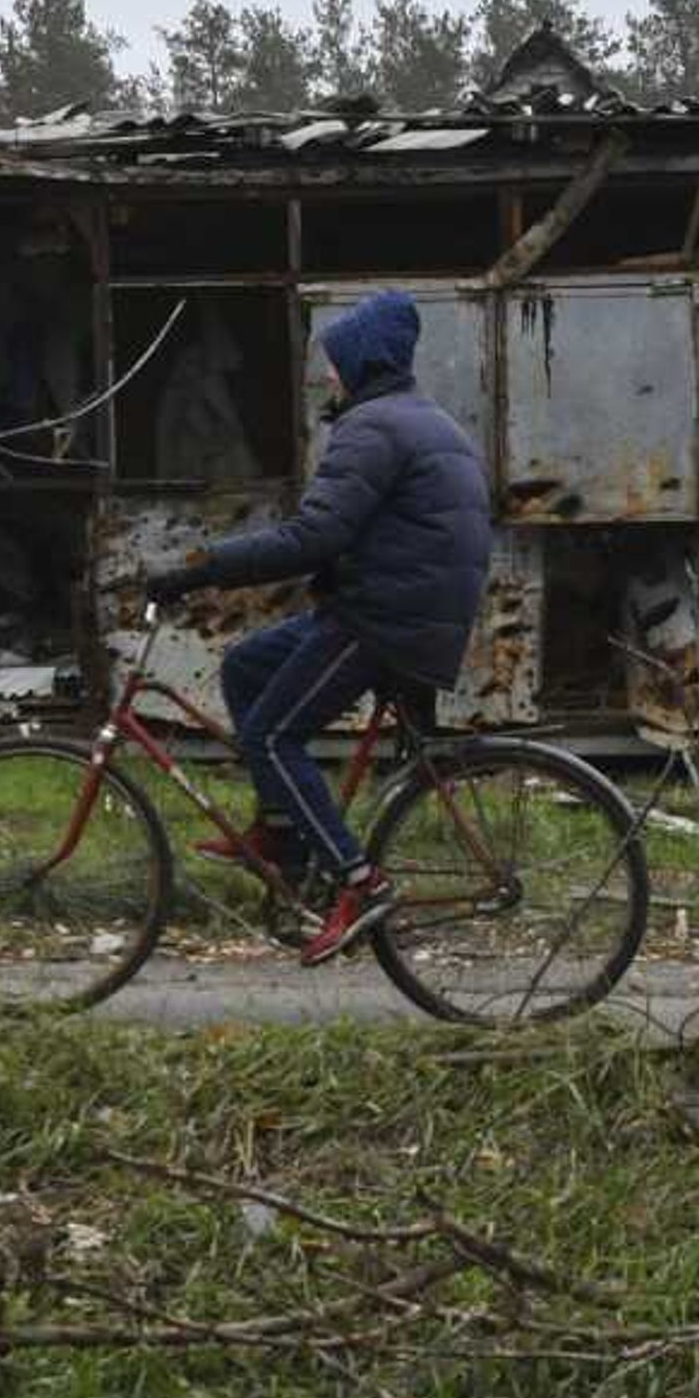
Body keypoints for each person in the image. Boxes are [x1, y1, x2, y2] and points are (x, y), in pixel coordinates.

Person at [138, 286, 492, 965]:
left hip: (386, 620)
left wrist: (201, 567)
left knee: (271, 733)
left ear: (363, 360)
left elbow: (315, 536)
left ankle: (359, 883)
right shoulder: (418, 418)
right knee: (246, 665)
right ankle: (283, 833)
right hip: (400, 610)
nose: (328, 376)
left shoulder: (374, 425)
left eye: (335, 362)